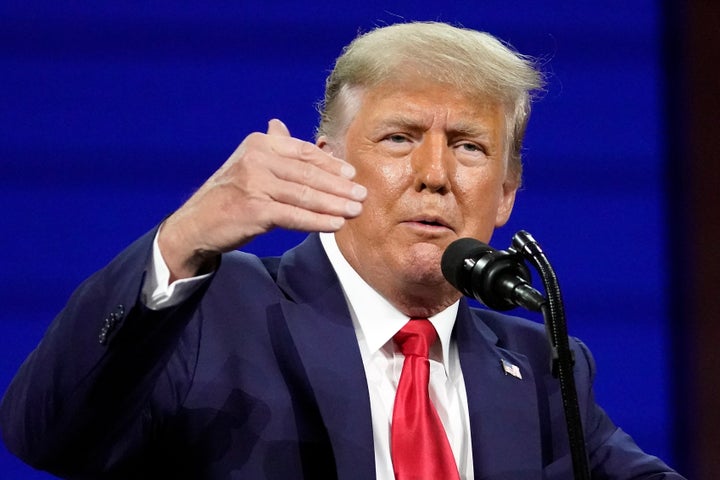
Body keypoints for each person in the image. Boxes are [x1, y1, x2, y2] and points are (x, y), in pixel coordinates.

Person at [0, 21, 684, 479]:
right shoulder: (216, 308)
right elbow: (46, 435)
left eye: (469, 147)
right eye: (398, 137)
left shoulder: (540, 369)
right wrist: (182, 239)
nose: (435, 174)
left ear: (506, 193)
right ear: (326, 163)